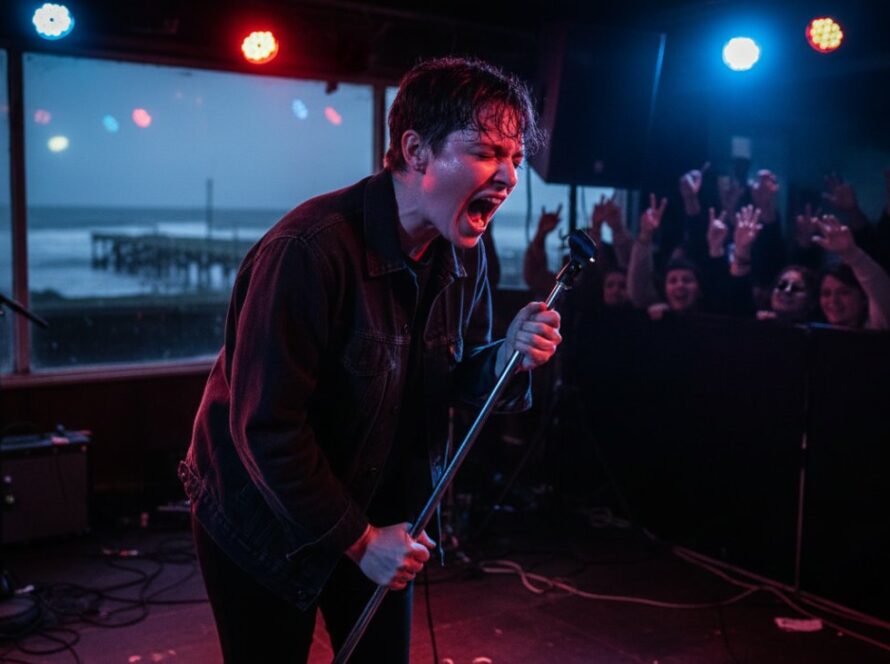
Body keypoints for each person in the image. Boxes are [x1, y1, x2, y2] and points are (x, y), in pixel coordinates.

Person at [178, 57, 562, 664]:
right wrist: (357, 541)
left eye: (516, 157)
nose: (509, 174)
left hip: (379, 513)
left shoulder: (465, 251)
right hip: (262, 518)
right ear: (415, 150)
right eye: (488, 151)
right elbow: (265, 429)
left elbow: (455, 377)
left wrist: (509, 358)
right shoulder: (308, 251)